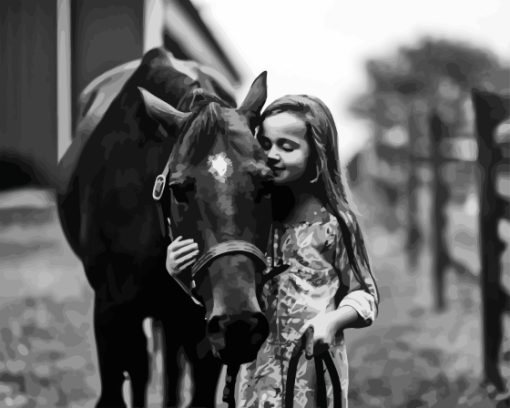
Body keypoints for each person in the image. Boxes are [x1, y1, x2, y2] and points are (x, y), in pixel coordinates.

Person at [166, 94, 379, 407]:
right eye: (264, 144)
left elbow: (366, 296)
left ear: (317, 154)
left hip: (312, 373)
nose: (273, 154)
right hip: (258, 376)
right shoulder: (254, 219)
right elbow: (229, 293)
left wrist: (331, 322)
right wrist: (180, 275)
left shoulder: (335, 222)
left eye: (287, 146)